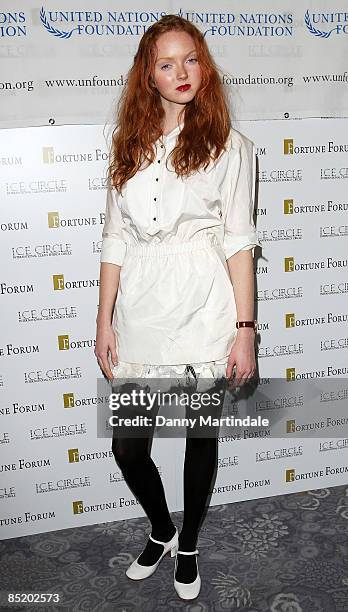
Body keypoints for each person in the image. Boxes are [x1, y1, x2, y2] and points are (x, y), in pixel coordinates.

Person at [95, 14, 260, 601]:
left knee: (199, 435)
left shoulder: (229, 146)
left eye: (191, 59)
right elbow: (114, 237)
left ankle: (188, 541)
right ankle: (161, 528)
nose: (182, 72)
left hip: (203, 302)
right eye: (167, 63)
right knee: (128, 444)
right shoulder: (128, 145)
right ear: (149, 76)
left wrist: (244, 330)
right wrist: (103, 320)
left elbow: (239, 241)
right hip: (140, 303)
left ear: (204, 65)